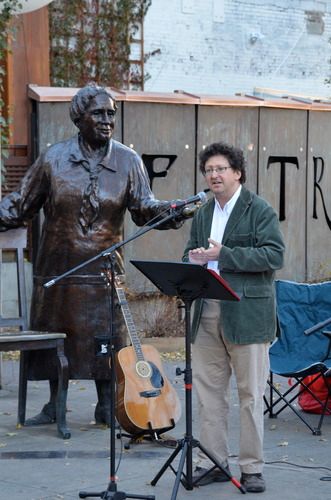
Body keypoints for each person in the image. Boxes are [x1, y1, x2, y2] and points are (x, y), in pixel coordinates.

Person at [0, 83, 183, 426]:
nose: (107, 119)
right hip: (60, 271)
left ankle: (106, 405)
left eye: (111, 113)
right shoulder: (54, 159)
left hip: (103, 272)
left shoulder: (128, 161)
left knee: (105, 339)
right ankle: (55, 404)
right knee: (58, 337)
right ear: (78, 117)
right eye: (98, 113)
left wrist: (171, 211)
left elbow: (144, 208)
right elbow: (19, 204)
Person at [182, 141, 285, 493]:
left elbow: (273, 255)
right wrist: (192, 259)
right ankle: (212, 461)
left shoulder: (260, 210)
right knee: (209, 395)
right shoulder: (202, 213)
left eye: (220, 168)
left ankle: (252, 468)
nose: (213, 175)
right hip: (207, 311)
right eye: (209, 170)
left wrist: (224, 255)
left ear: (237, 172)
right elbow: (189, 253)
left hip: (247, 312)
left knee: (250, 395)